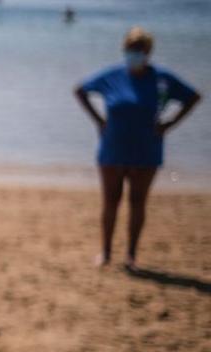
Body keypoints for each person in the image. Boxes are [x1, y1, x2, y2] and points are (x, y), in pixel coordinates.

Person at [75, 27, 200, 269]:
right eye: (131, 49)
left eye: (140, 50)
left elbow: (192, 97)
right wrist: (99, 121)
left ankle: (131, 254)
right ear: (125, 50)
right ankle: (106, 252)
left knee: (137, 201)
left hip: (147, 149)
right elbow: (80, 91)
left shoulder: (161, 79)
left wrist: (169, 124)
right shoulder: (112, 76)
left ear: (149, 52)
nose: (135, 54)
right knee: (111, 200)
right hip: (113, 148)